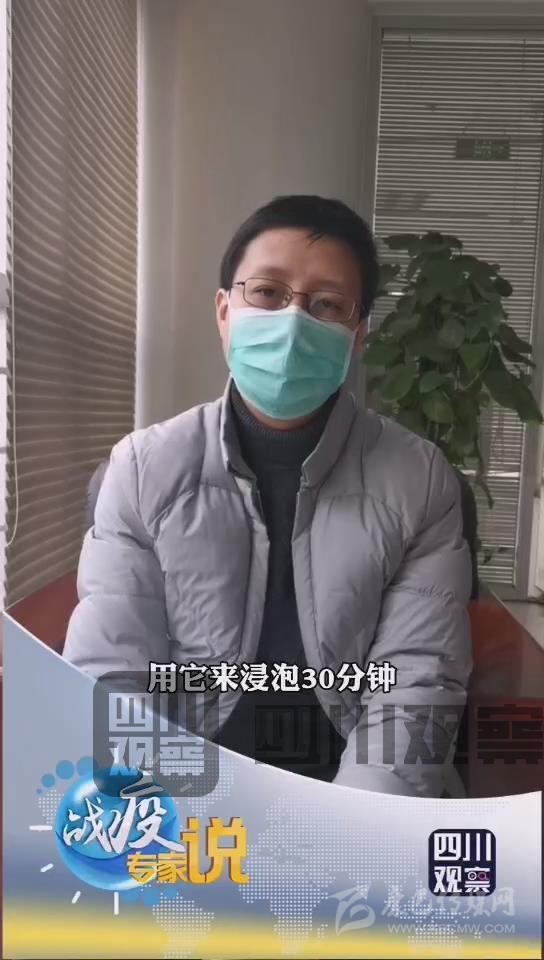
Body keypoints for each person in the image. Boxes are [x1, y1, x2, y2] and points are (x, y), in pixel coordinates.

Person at [64, 195, 472, 797]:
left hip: (354, 794)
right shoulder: (143, 469)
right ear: (224, 310)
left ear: (358, 333)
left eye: (326, 304)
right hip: (184, 790)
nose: (293, 321)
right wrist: (167, 818)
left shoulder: (421, 479)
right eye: (268, 293)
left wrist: (351, 832)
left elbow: (415, 685)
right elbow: (111, 675)